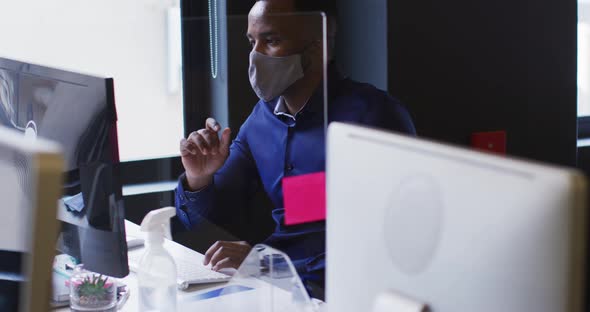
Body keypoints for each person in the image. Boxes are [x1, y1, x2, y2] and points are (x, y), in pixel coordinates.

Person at [175, 0, 416, 299]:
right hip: (277, 286)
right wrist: (199, 178)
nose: (255, 56)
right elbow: (207, 222)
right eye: (252, 41)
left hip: (342, 292)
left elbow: (389, 240)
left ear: (318, 45)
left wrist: (266, 264)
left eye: (272, 40)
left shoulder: (373, 117)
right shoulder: (262, 119)